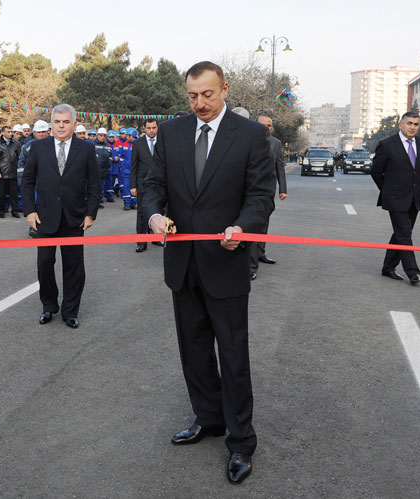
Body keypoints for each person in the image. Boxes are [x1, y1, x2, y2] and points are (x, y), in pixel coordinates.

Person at [143, 61, 273, 484]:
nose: (199, 103)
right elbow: (153, 185)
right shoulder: (173, 132)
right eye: (192, 96)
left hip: (226, 261)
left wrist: (244, 227)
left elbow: (260, 196)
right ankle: (209, 417)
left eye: (208, 95)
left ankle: (240, 442)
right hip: (182, 265)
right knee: (194, 350)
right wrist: (154, 216)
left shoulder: (251, 136)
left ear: (225, 90)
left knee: (233, 356)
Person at [22, 104, 100, 329]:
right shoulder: (38, 148)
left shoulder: (85, 149)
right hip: (44, 217)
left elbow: (94, 184)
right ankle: (48, 306)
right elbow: (27, 181)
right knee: (44, 264)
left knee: (74, 267)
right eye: (57, 122)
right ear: (51, 124)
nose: (61, 126)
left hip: (74, 218)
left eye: (66, 122)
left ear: (74, 124)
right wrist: (29, 210)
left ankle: (70, 311)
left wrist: (90, 213)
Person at [371, 111, 420, 285]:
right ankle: (413, 272)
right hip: (395, 198)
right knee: (404, 233)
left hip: (415, 197)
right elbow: (376, 171)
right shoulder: (387, 144)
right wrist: (388, 190)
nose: (412, 127)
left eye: (416, 124)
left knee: (402, 233)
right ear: (401, 124)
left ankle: (388, 267)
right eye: (409, 123)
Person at [249, 114, 285, 279]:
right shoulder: (248, 140)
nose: (266, 128)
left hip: (268, 190)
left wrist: (282, 189)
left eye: (269, 125)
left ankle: (261, 253)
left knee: (263, 223)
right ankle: (251, 266)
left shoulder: (276, 144)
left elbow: (280, 167)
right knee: (253, 225)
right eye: (263, 125)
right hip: (249, 190)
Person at [17, 120, 50, 237]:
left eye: (43, 132)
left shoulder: (54, 145)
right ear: (34, 133)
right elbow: (21, 164)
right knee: (35, 206)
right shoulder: (27, 147)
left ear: (48, 132)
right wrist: (23, 182)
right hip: (34, 184)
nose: (41, 134)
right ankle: (34, 228)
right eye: (39, 132)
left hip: (49, 184)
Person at [130, 118, 158, 252]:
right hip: (142, 184)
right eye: (149, 128)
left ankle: (156, 237)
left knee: (158, 212)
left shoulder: (163, 142)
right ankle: (141, 241)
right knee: (141, 213)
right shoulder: (137, 144)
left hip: (159, 184)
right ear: (145, 129)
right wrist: (133, 186)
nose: (151, 130)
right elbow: (134, 166)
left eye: (154, 128)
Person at [0, 125, 21, 218]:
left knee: (14, 193)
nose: (10, 134)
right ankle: (1, 210)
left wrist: (19, 171)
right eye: (8, 132)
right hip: (2, 172)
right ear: (3, 133)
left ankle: (15, 210)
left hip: (13, 172)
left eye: (11, 132)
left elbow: (19, 158)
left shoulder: (16, 143)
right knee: (1, 194)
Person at [93, 127, 113, 208]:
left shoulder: (108, 146)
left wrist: (108, 164)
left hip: (104, 171)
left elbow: (110, 157)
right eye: (100, 135)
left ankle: (98, 202)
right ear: (97, 135)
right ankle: (93, 203)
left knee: (101, 187)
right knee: (94, 188)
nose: (102, 137)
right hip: (94, 171)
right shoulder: (92, 145)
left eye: (104, 136)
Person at [120, 128, 136, 210]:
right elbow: (122, 157)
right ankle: (127, 203)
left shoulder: (137, 144)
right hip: (126, 170)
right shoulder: (124, 144)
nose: (126, 137)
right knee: (126, 186)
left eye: (127, 135)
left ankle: (134, 203)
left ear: (131, 136)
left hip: (135, 170)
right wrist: (121, 166)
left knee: (134, 187)